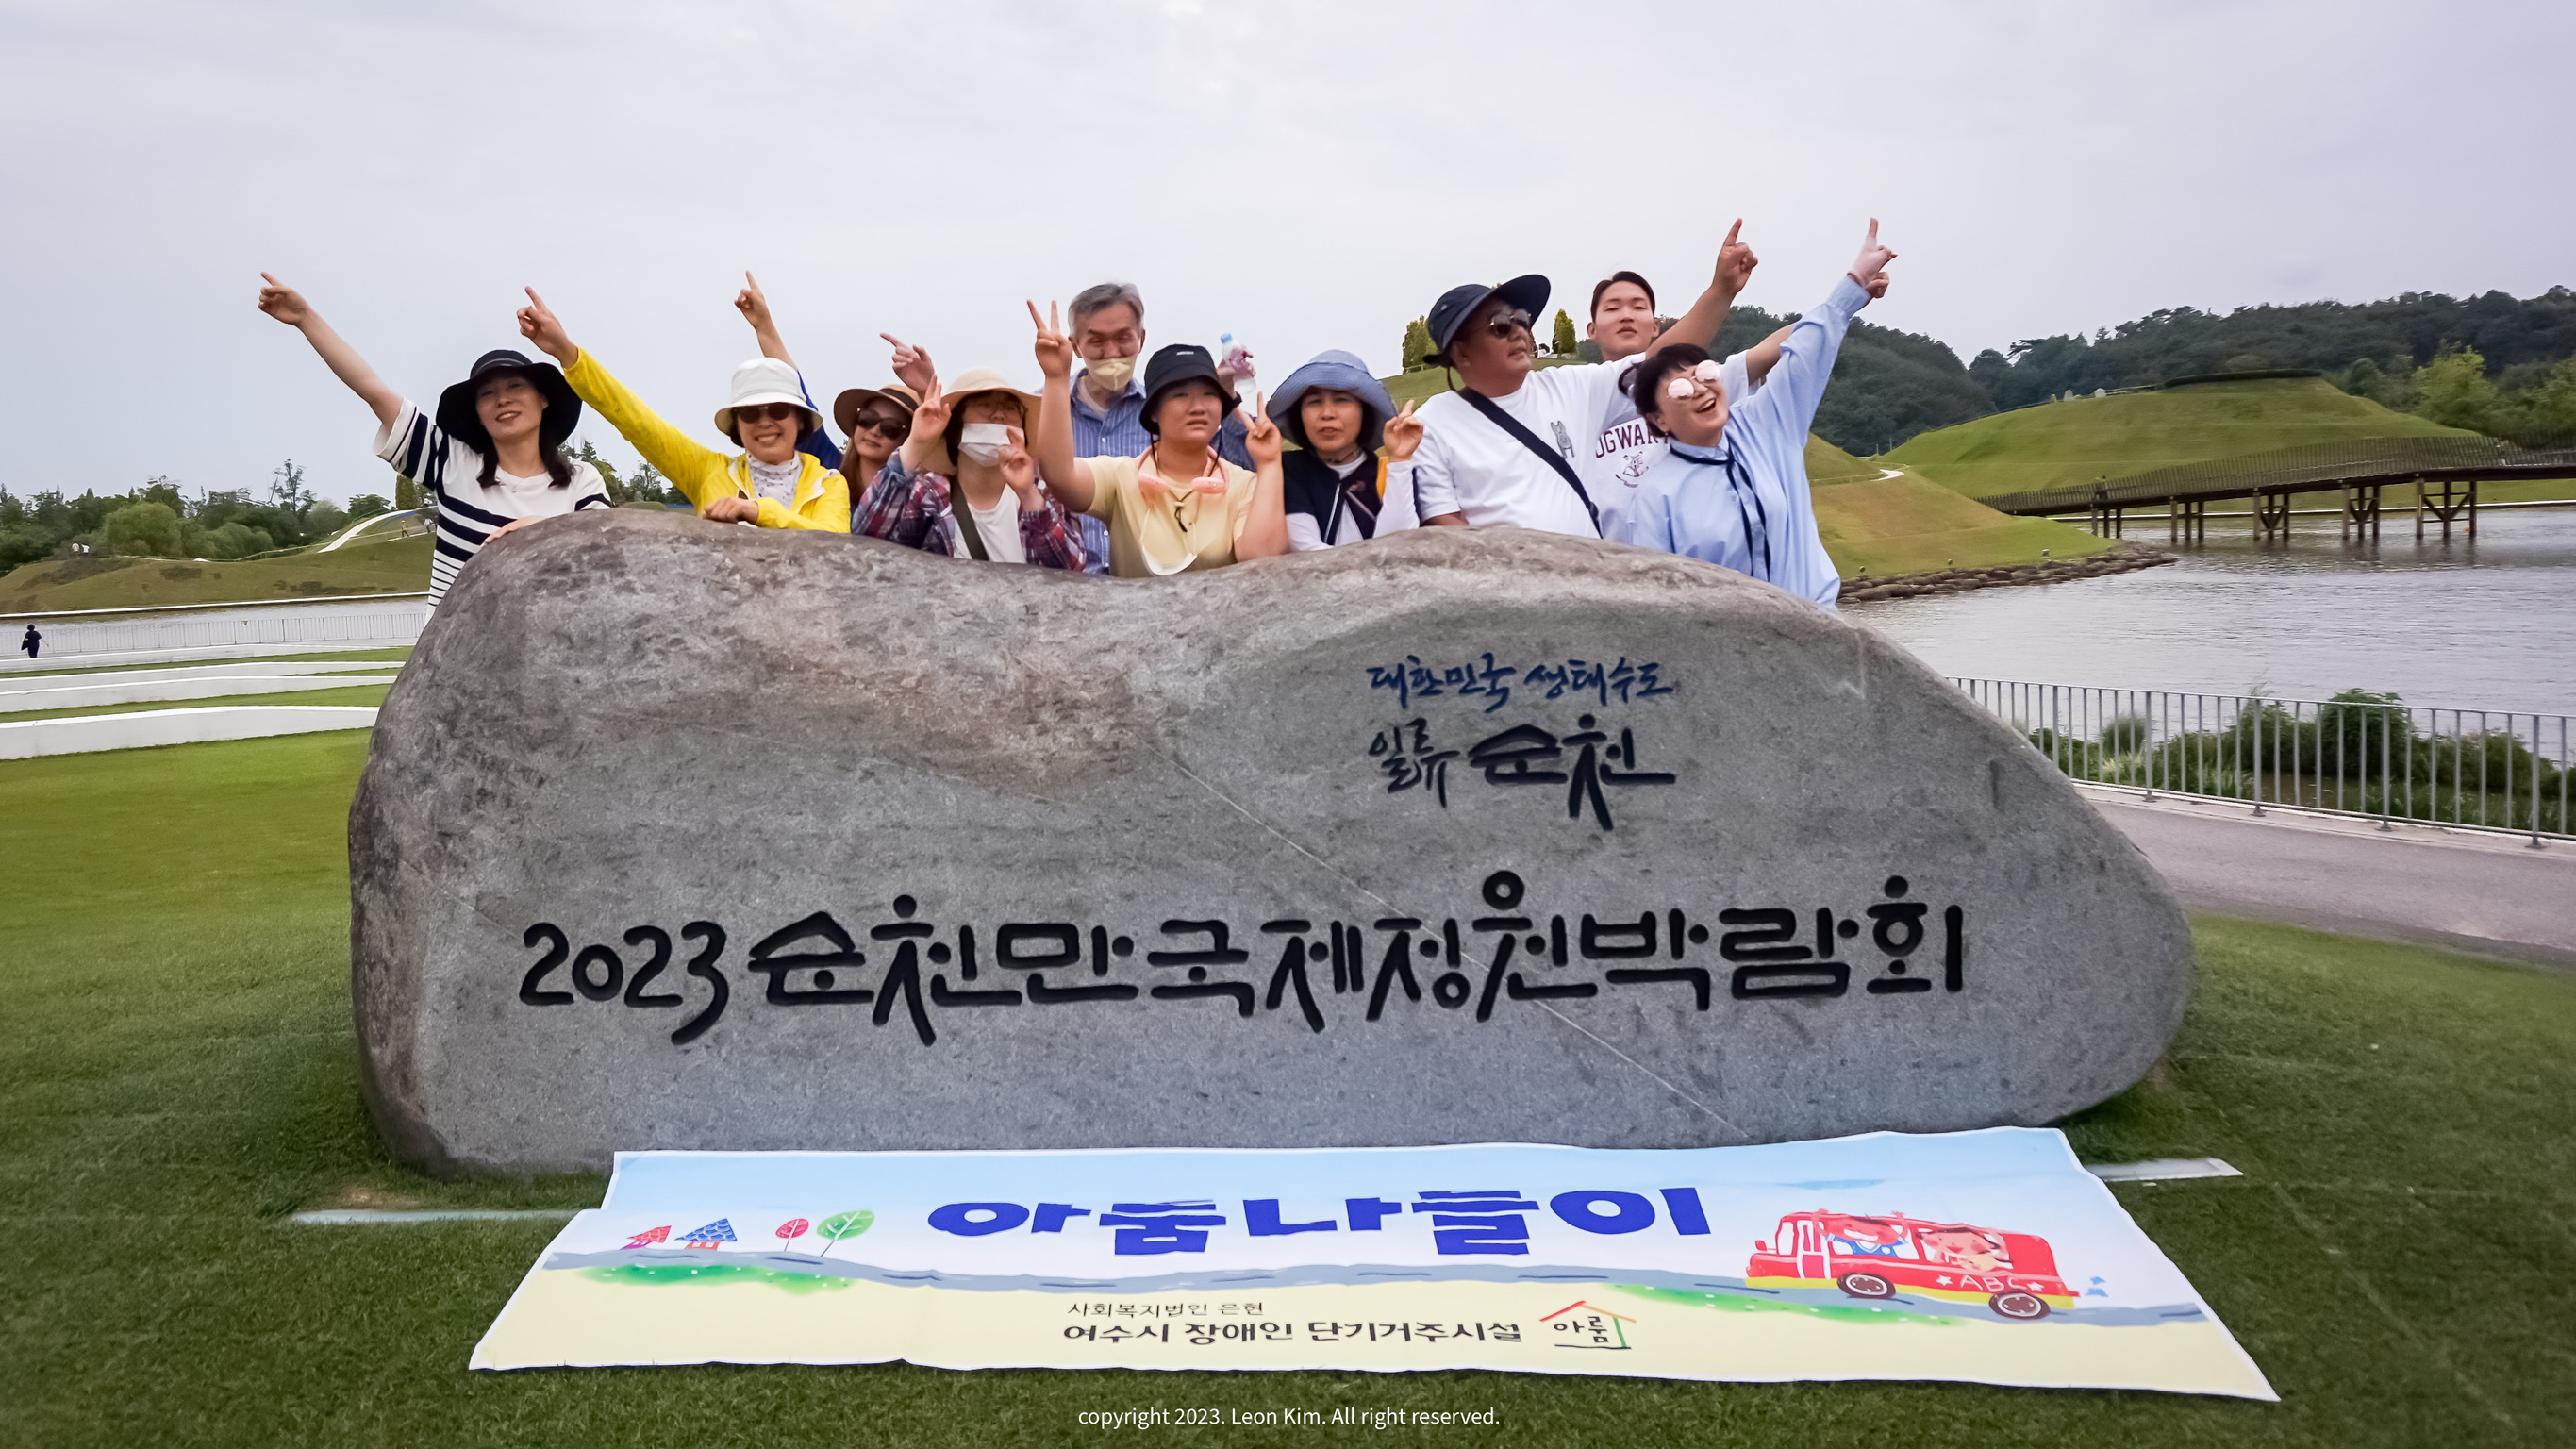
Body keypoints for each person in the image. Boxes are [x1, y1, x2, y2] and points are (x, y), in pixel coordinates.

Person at [257, 275, 611, 609]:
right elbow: (372, 390)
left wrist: (542, 529)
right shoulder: (451, 463)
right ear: (477, 413)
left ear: (544, 399)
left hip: (552, 644)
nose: (503, 399)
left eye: (516, 386)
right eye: (487, 393)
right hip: (455, 646)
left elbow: (605, 556)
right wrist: (305, 318)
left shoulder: (581, 480)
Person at [1604, 222, 1900, 610]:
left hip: (1819, 626)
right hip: (1732, 642)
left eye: (1704, 373)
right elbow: (1660, 603)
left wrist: (1853, 285)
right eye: (1680, 389)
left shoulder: (1766, 425)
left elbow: (1803, 353)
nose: (1700, 388)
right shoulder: (1656, 498)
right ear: (1659, 420)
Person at [1408, 223, 1758, 538]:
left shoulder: (1570, 388)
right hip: (1509, 583)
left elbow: (1657, 360)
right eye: (1499, 324)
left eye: (1521, 319)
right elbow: (1444, 523)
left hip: (1589, 576)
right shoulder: (1431, 424)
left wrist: (1721, 291)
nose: (1518, 331)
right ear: (1461, 353)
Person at [514, 289, 849, 533]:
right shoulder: (707, 471)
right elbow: (635, 420)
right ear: (736, 425)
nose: (764, 422)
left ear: (799, 419)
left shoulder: (830, 483)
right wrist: (566, 352)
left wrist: (757, 511)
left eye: (777, 410)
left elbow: (832, 540)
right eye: (750, 413)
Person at [1029, 302, 1289, 576]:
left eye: (1209, 395)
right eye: (1180, 395)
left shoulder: (1244, 485)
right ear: (1153, 411)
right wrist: (1056, 378)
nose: (1198, 407)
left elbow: (1261, 559)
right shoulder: (1121, 477)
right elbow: (1060, 476)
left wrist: (1270, 463)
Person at [1584, 269, 1798, 493]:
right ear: (1592, 329)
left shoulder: (1700, 384)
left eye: (1638, 307)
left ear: (1656, 326)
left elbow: (1766, 352)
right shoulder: (1579, 398)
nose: (1626, 316)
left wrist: (1825, 316)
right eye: (1612, 308)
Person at [851, 367, 1086, 569]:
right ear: (956, 424)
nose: (998, 414)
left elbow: (1073, 568)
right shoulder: (930, 495)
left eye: (1010, 408)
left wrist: (1028, 495)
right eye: (984, 404)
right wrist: (917, 443)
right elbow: (868, 533)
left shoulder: (1044, 492)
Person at [1262, 352, 1422, 549]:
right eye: (1314, 402)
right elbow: (1305, 549)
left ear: (1364, 411)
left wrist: (1399, 460)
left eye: (1341, 400)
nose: (1327, 414)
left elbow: (1400, 543)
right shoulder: (1288, 469)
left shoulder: (1392, 471)